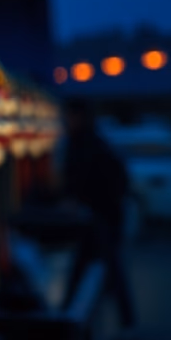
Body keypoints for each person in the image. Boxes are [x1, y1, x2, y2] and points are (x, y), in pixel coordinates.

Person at [61, 99, 136, 327]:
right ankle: (68, 320)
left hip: (100, 218)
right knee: (101, 269)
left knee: (106, 268)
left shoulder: (87, 145)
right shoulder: (92, 143)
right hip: (101, 216)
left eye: (70, 116)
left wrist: (80, 200)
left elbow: (86, 180)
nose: (67, 122)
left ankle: (68, 323)